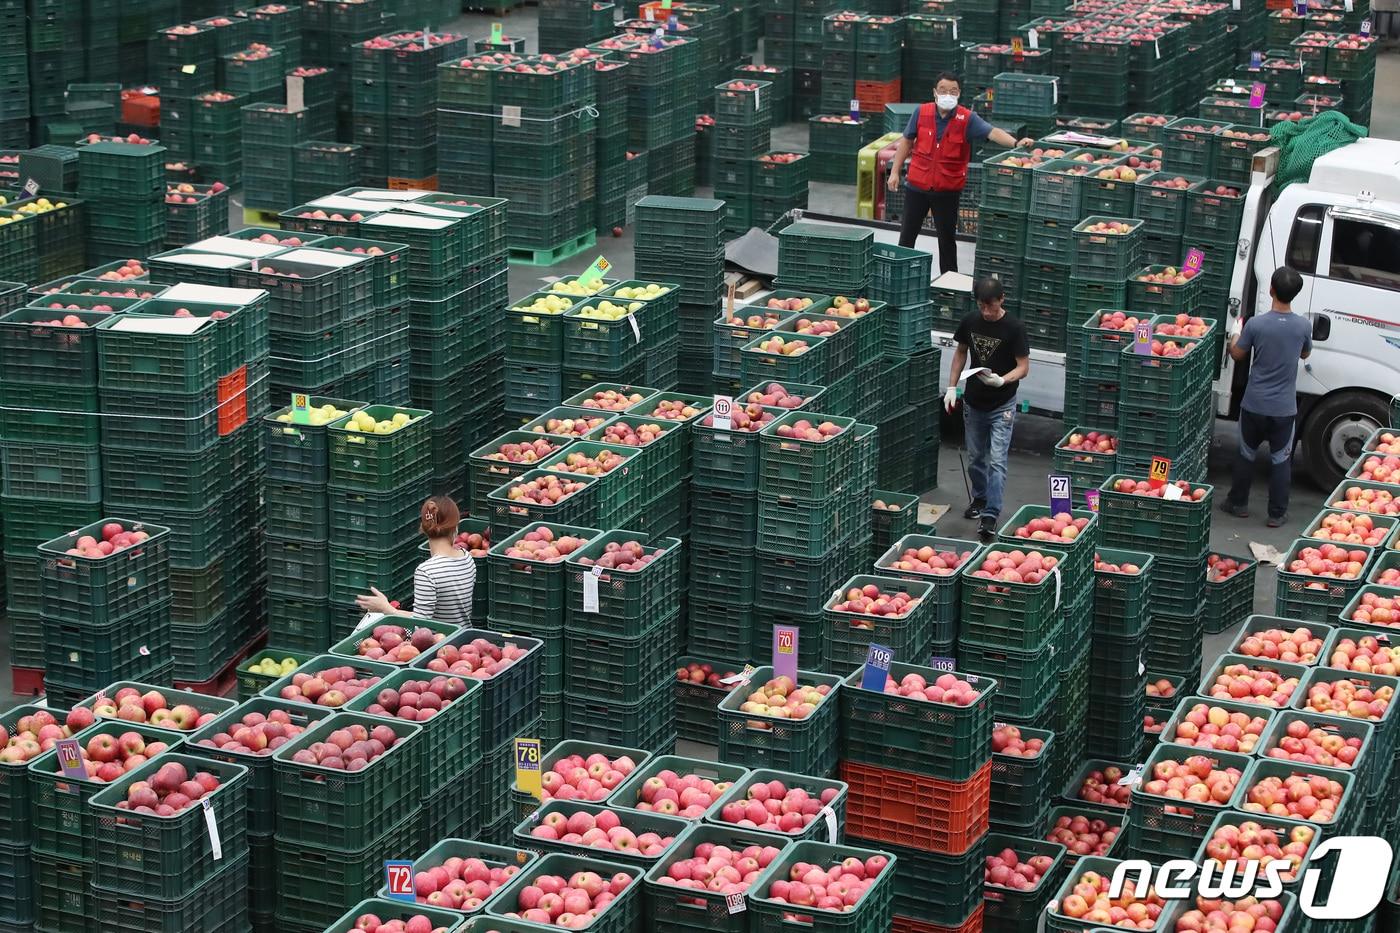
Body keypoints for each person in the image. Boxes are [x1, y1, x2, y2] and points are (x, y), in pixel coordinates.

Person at [887, 72, 1035, 273]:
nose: (948, 94)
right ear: (934, 93)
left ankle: (949, 284)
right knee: (907, 236)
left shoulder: (967, 119)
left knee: (947, 239)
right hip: (917, 187)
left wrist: (1016, 142)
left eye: (953, 91)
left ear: (958, 94)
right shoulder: (921, 113)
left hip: (947, 191)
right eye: (943, 90)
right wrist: (895, 172)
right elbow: (906, 141)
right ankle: (899, 275)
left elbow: (992, 132)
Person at [1221, 267, 1312, 527]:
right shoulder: (1303, 325)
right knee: (1281, 460)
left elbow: (1237, 354)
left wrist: (1235, 334)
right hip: (1284, 408)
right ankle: (1276, 514)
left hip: (1254, 404)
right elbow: (1305, 354)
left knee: (1246, 454)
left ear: (1271, 289)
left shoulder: (1256, 324)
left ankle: (1237, 504)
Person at [945, 277, 1031, 542]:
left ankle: (991, 514)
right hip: (974, 402)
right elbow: (960, 352)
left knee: (997, 461)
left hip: (1002, 404)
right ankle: (980, 497)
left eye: (990, 306)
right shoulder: (970, 321)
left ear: (1002, 299)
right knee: (976, 458)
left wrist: (1003, 380)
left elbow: (1023, 367)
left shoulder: (1014, 328)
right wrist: (951, 387)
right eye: (982, 306)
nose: (986, 312)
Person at [355, 495, 476, 626]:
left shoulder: (427, 572)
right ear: (455, 526)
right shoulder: (467, 558)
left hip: (440, 643)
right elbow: (431, 618)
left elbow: (421, 623)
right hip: (462, 640)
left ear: (424, 528)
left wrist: (386, 609)